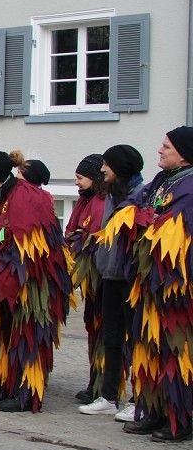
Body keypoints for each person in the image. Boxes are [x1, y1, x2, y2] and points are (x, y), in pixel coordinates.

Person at [107, 129, 193, 441]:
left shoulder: (189, 186)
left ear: (183, 153)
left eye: (166, 146)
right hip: (146, 284)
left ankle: (179, 418)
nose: (159, 151)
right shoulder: (162, 179)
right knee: (149, 349)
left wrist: (146, 218)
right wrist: (140, 214)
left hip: (174, 289)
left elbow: (175, 227)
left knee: (173, 351)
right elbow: (134, 203)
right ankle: (153, 410)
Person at [0, 150, 71, 412]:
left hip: (34, 282)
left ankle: (28, 394)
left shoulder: (25, 197)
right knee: (10, 336)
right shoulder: (2, 195)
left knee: (30, 337)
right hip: (11, 276)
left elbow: (24, 249)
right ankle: (9, 386)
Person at [85, 146, 146, 421]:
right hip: (110, 275)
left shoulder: (141, 195)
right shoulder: (111, 193)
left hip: (130, 279)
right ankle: (109, 396)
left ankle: (138, 399)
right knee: (111, 338)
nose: (102, 169)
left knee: (136, 340)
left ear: (119, 167)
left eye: (106, 165)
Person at [64, 154, 110, 409]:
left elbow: (93, 236)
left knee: (103, 329)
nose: (76, 183)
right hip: (89, 278)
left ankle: (103, 383)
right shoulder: (86, 200)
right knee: (93, 327)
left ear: (94, 178)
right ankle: (96, 380)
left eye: (80, 178)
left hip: (99, 275)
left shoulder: (101, 202)